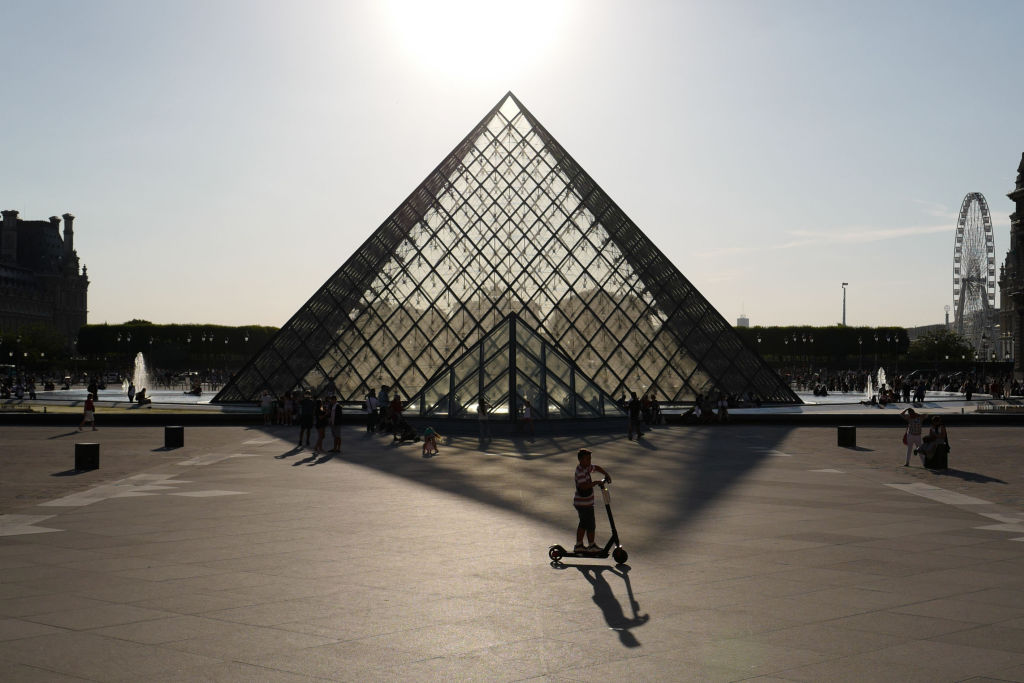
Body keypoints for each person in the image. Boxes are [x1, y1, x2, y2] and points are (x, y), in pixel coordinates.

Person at [573, 448, 610, 553]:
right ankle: (586, 545)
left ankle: (583, 545)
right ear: (580, 460)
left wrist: (605, 474)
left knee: (586, 524)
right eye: (587, 459)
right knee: (588, 524)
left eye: (590, 459)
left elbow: (596, 467)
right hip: (582, 503)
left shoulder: (586, 468)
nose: (589, 461)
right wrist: (595, 482)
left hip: (587, 503)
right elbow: (584, 486)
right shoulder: (580, 471)